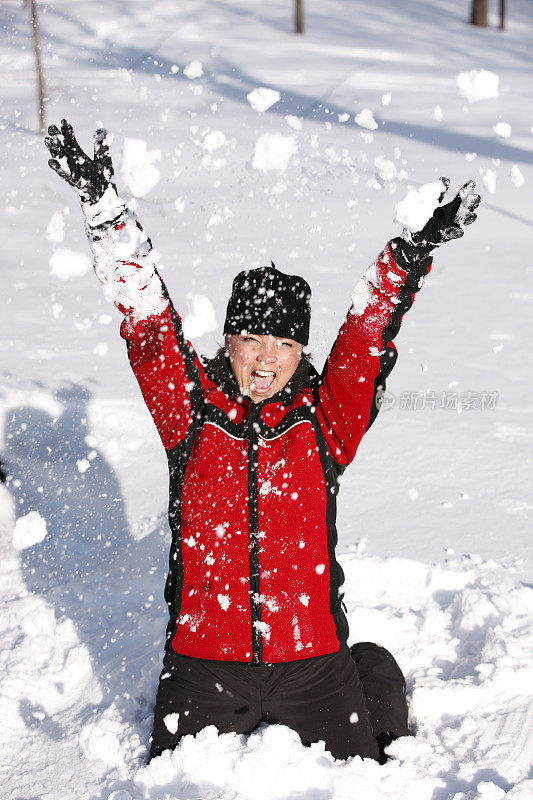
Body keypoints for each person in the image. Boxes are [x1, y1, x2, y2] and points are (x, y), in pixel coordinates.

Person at [45, 120, 480, 763]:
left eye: (284, 344)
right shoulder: (189, 412)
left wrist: (408, 253)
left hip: (312, 666)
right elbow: (148, 322)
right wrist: (106, 211)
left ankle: (371, 680)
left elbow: (365, 337)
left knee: (373, 764)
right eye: (252, 339)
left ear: (302, 350)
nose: (266, 360)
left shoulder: (323, 421)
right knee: (170, 778)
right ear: (228, 341)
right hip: (204, 665)